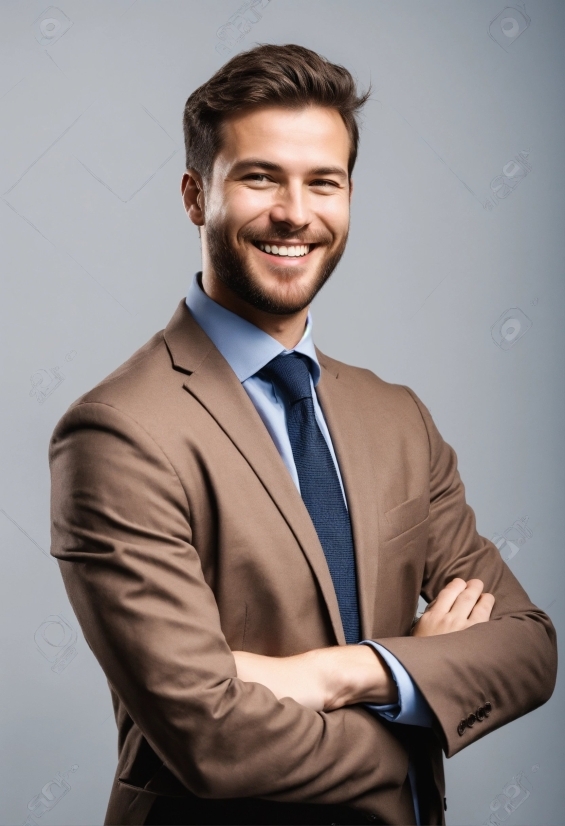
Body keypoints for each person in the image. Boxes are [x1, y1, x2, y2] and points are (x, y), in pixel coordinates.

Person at [49, 44, 557, 826]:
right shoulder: (117, 433)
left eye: (323, 181)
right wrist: (423, 711)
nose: (295, 212)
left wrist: (346, 672)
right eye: (260, 178)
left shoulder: (397, 417)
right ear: (195, 196)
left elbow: (526, 648)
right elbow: (210, 738)